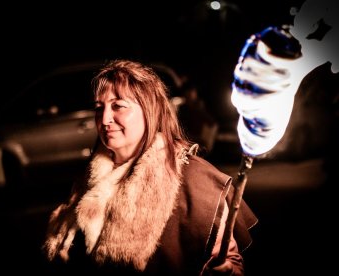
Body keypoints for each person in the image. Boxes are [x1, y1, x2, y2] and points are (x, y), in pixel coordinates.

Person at [43, 59, 257, 275]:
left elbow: (229, 260)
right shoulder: (88, 178)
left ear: (149, 111)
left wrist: (226, 269)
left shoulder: (191, 178)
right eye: (99, 108)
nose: (105, 118)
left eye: (118, 106)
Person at [178, 80, 219, 156]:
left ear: (195, 93)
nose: (189, 94)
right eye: (187, 92)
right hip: (184, 144)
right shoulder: (182, 109)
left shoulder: (198, 109)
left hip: (195, 144)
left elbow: (213, 124)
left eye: (191, 92)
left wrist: (207, 142)